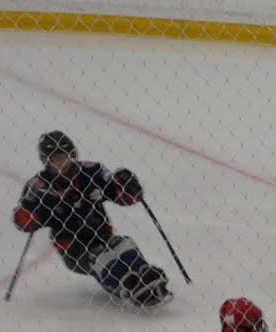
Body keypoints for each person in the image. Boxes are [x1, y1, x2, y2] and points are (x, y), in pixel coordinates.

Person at [11, 131, 171, 306]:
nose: (62, 162)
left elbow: (123, 197)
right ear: (46, 161)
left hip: (102, 235)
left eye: (65, 156)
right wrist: (31, 210)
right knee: (102, 260)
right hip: (72, 248)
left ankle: (146, 275)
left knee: (125, 245)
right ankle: (130, 288)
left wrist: (128, 186)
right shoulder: (38, 187)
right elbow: (23, 223)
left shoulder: (92, 171)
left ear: (73, 155)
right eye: (56, 159)